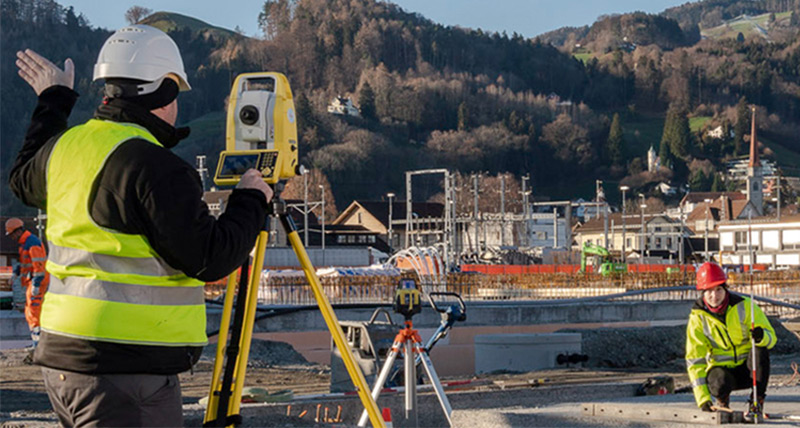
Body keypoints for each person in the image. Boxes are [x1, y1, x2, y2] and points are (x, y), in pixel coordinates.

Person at [10, 25, 273, 427]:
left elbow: (22, 177)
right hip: (125, 371)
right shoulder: (154, 165)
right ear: (166, 89)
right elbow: (210, 257)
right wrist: (251, 199)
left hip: (64, 363)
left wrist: (54, 98)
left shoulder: (67, 148)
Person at [686, 262, 777, 419]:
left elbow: (772, 339)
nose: (714, 296)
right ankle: (722, 402)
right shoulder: (698, 318)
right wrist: (703, 399)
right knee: (718, 380)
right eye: (709, 291)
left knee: (760, 350)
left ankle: (757, 402)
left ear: (725, 288)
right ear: (702, 293)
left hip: (749, 372)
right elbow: (695, 360)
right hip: (722, 374)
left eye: (718, 289)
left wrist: (762, 337)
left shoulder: (745, 306)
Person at [5, 217, 49, 359]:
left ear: (18, 231)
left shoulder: (32, 243)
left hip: (37, 281)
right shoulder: (24, 243)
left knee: (34, 311)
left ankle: (39, 346)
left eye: (11, 234)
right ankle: (37, 344)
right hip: (32, 281)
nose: (11, 237)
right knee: (30, 311)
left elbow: (39, 266)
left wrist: (36, 284)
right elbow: (25, 262)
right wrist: (16, 272)